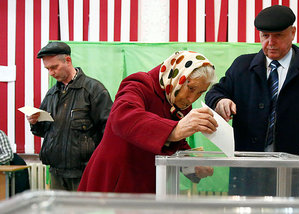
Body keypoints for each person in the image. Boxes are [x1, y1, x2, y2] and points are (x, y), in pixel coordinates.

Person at [205, 5, 299, 196]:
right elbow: (215, 92)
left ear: (293, 32)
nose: (270, 42)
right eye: (265, 36)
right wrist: (221, 100)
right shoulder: (242, 66)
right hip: (248, 170)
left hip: (297, 170)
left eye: (278, 35)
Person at [78, 51, 217, 193]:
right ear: (177, 75)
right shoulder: (140, 84)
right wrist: (175, 129)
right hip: (116, 181)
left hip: (148, 184)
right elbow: (122, 117)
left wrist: (193, 165)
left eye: (200, 92)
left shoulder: (180, 103)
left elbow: (174, 144)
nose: (191, 99)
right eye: (191, 88)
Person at [26, 42, 113, 191]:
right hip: (56, 172)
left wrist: (101, 165)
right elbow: (43, 131)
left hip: (84, 172)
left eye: (54, 67)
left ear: (68, 60)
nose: (51, 73)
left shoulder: (93, 90)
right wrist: (35, 122)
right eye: (47, 69)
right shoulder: (52, 94)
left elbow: (109, 131)